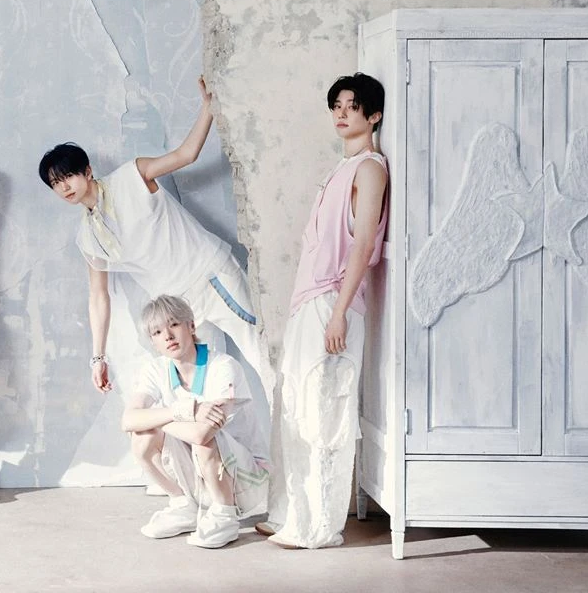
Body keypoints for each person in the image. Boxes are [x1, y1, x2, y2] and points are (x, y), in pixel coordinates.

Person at [38, 78, 272, 464]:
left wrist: (208, 108)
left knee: (263, 360)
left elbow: (187, 154)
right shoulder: (88, 237)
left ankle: (299, 458)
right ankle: (233, 474)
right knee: (201, 390)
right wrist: (97, 357)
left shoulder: (132, 176)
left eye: (67, 176)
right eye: (55, 183)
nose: (63, 187)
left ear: (87, 170)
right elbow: (98, 297)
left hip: (211, 276)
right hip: (179, 309)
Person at [261, 72, 389, 549]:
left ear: (373, 115)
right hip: (310, 300)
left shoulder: (370, 169)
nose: (341, 113)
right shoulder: (342, 168)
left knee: (324, 409)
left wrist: (338, 312)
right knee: (297, 406)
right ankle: (293, 515)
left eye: (352, 106)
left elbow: (363, 244)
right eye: (336, 106)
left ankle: (319, 527)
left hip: (334, 301)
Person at [122, 295, 270, 548]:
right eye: (157, 332)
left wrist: (156, 418)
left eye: (173, 324)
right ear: (153, 341)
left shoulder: (222, 366)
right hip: (198, 472)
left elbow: (202, 434)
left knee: (203, 439)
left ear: (191, 326)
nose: (168, 336)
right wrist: (184, 410)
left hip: (245, 475)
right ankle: (183, 504)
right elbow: (128, 419)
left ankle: (224, 514)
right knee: (142, 436)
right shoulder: (156, 369)